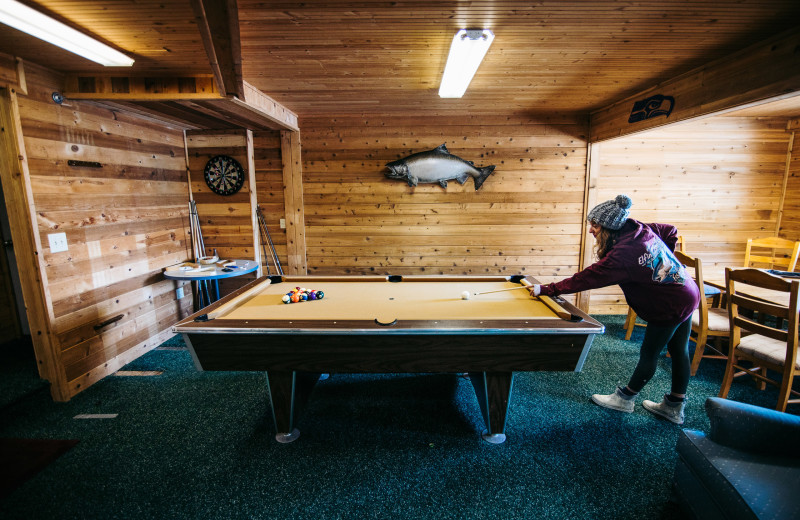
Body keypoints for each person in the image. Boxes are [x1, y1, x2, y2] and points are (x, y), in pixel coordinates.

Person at [529, 194, 700, 424]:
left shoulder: (622, 255)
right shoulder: (639, 228)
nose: (591, 230)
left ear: (609, 227)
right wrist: (664, 261)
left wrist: (546, 289)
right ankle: (674, 406)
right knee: (680, 350)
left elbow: (585, 279)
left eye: (595, 225)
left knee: (649, 353)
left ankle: (625, 399)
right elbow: (670, 230)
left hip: (669, 303)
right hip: (687, 291)